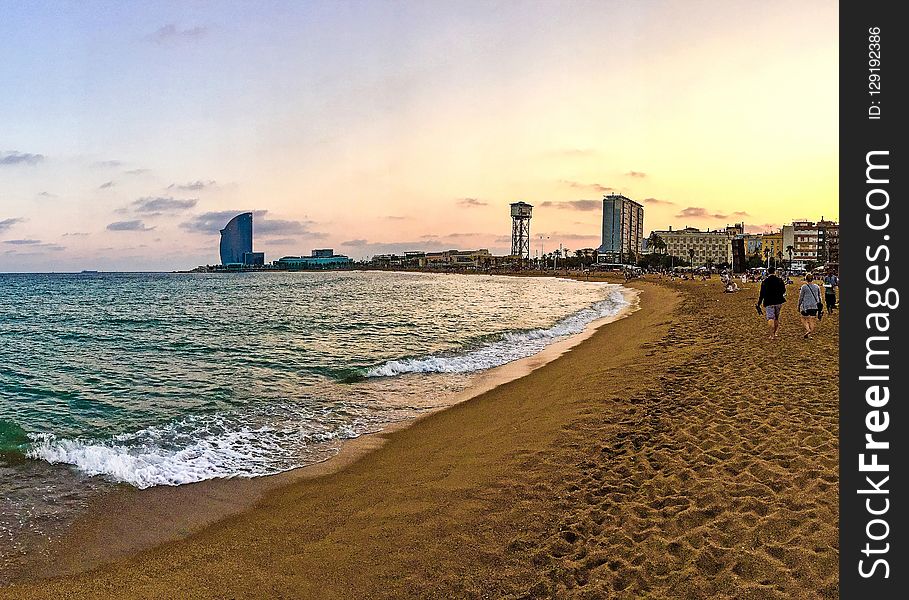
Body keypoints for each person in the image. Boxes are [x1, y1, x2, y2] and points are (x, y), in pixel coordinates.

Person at [756, 266, 787, 339]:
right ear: (774, 272)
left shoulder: (765, 281)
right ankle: (775, 332)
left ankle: (771, 335)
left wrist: (759, 303)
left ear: (768, 272)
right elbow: (783, 290)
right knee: (776, 318)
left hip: (768, 301)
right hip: (778, 301)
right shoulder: (779, 280)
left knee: (770, 318)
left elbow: (762, 293)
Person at [798, 274, 824, 338]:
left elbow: (801, 297)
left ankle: (808, 330)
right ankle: (809, 334)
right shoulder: (817, 286)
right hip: (814, 305)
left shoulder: (804, 287)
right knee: (812, 320)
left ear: (806, 279)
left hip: (806, 306)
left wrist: (798, 305)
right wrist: (820, 304)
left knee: (803, 318)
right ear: (813, 279)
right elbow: (819, 297)